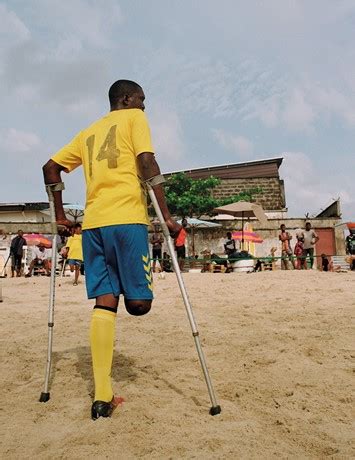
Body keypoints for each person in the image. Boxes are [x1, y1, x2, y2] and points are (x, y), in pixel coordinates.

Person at [42, 79, 180, 420]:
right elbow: (147, 163)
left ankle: (103, 396)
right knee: (139, 305)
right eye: (142, 99)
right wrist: (167, 217)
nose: (145, 106)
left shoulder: (88, 132)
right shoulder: (135, 118)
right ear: (127, 98)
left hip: (93, 227)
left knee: (105, 302)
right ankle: (104, 391)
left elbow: (50, 167)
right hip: (128, 221)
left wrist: (60, 215)